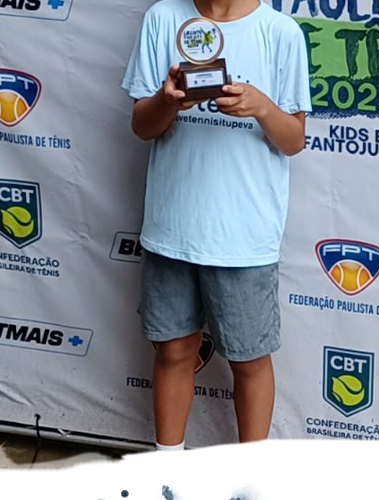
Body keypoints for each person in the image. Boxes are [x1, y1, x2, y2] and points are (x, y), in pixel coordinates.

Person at [121, 0, 311, 449]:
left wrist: (261, 107)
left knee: (250, 360)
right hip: (171, 229)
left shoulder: (281, 32)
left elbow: (294, 140)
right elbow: (142, 126)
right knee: (172, 351)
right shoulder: (162, 18)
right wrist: (167, 102)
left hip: (244, 236)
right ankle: (167, 471)